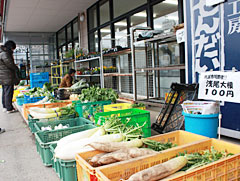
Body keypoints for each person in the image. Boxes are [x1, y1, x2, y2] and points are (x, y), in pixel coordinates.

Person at [0, 40, 19, 114]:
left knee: (5, 91)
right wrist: (16, 68)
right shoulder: (5, 54)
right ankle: (9, 108)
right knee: (8, 92)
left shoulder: (1, 53)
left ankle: (5, 106)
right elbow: (10, 64)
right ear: (10, 47)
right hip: (7, 76)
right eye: (12, 49)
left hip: (3, 76)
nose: (12, 50)